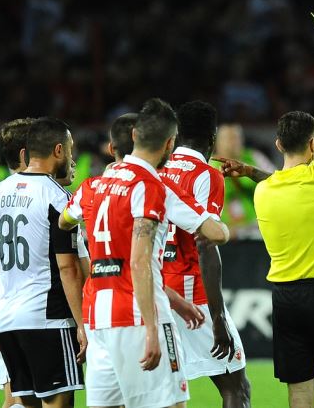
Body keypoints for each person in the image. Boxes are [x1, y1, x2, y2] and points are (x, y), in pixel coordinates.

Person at [218, 27, 314, 408]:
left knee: (300, 392)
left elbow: (280, 181)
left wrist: (252, 173)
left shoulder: (264, 192)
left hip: (286, 299)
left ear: (278, 144)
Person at [60, 99, 228, 408]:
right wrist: (153, 328)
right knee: (170, 404)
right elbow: (141, 262)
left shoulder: (93, 186)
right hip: (138, 315)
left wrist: (177, 301)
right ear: (170, 143)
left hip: (98, 317)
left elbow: (64, 221)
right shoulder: (154, 186)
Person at [0, 118, 89, 408]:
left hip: (8, 321)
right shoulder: (57, 198)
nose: (71, 156)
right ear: (58, 150)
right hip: (49, 320)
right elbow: (68, 268)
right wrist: (83, 323)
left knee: (21, 403)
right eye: (69, 149)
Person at [160, 101, 251, 407]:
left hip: (157, 292)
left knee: (166, 394)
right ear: (212, 138)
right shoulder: (207, 175)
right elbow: (206, 244)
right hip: (192, 296)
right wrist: (218, 317)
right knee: (236, 388)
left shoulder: (156, 170)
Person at [210, 123, 275, 239]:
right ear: (217, 142)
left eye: (236, 137)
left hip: (256, 229)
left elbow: (276, 182)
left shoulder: (254, 157)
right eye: (229, 138)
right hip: (222, 232)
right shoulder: (209, 165)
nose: (233, 142)